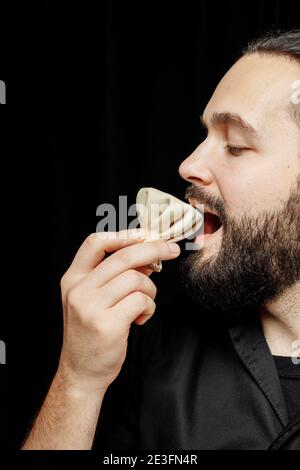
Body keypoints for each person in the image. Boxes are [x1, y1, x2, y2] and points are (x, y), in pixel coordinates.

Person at [22, 30, 300, 450]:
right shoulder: (152, 345)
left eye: (236, 145)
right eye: (205, 135)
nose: (189, 165)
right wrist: (79, 381)